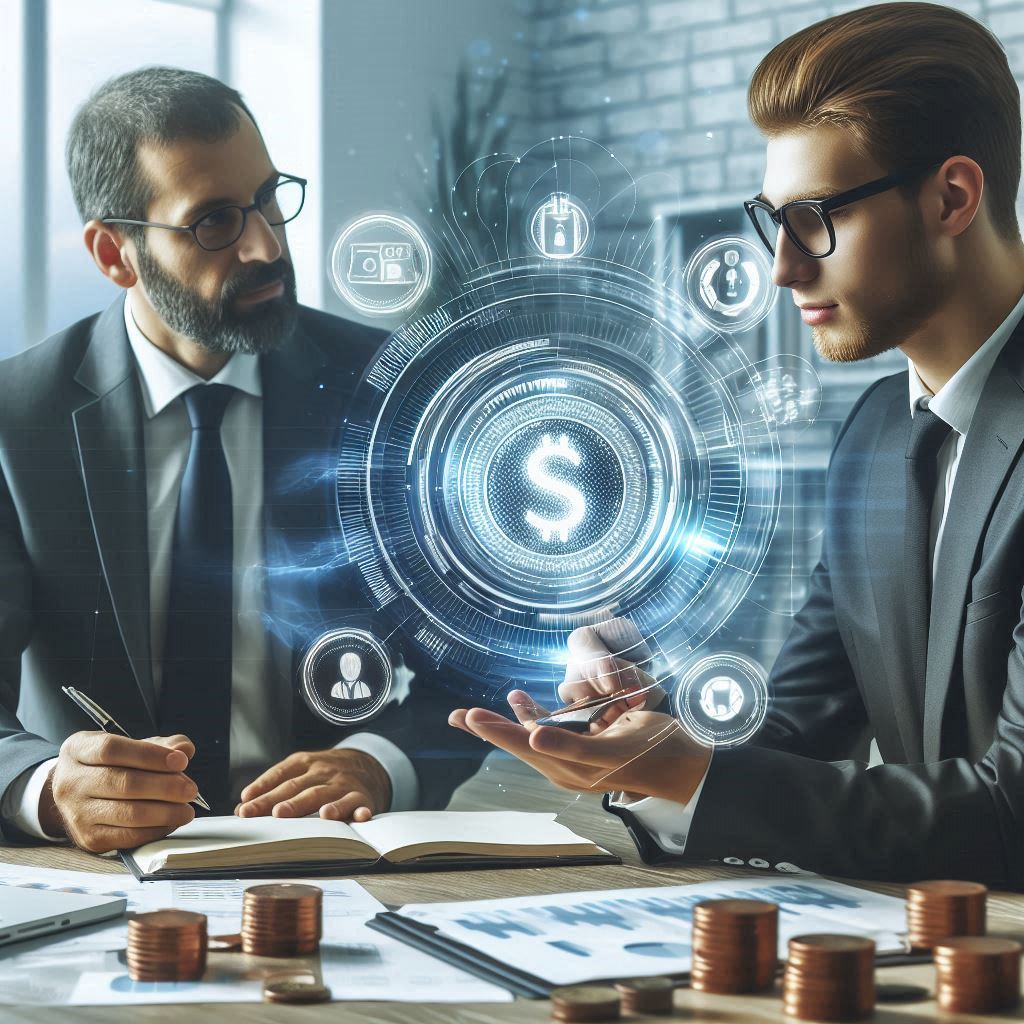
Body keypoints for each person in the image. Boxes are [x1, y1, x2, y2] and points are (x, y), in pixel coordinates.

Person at [451, 2, 1024, 887]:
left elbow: (1012, 811)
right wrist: (654, 729)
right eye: (773, 222)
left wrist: (691, 771)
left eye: (819, 218)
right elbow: (795, 728)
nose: (786, 267)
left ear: (953, 197)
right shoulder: (875, 435)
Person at [0, 66, 484, 855]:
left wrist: (377, 761)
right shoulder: (18, 418)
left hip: (337, 856)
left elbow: (466, 660)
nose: (265, 244)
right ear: (114, 254)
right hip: (94, 876)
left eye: (267, 198)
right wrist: (45, 790)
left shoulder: (392, 395)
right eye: (215, 222)